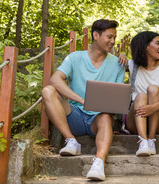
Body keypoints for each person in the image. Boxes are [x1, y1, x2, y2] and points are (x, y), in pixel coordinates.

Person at [41, 19, 126, 181]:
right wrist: (82, 100)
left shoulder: (118, 64)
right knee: (48, 91)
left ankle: (99, 163)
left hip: (99, 119)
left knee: (106, 117)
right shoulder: (74, 57)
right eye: (109, 37)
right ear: (95, 35)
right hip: (74, 116)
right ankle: (71, 141)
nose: (113, 41)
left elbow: (118, 95)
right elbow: (55, 80)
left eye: (115, 37)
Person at [122, 31, 159, 156]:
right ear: (145, 46)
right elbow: (110, 62)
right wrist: (120, 55)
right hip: (135, 118)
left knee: (153, 89)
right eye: (157, 43)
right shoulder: (132, 65)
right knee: (141, 95)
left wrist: (152, 108)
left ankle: (151, 140)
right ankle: (143, 141)